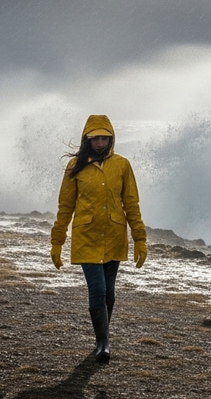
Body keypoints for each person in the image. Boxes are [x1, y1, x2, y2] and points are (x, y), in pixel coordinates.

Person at [50, 114, 147, 363]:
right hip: (87, 237)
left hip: (114, 235)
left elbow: (131, 203)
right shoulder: (75, 167)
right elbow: (65, 205)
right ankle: (102, 342)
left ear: (111, 138)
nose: (100, 143)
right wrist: (57, 241)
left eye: (105, 138)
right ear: (87, 139)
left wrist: (140, 239)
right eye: (95, 138)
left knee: (110, 292)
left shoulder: (122, 165)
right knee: (98, 288)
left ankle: (103, 336)